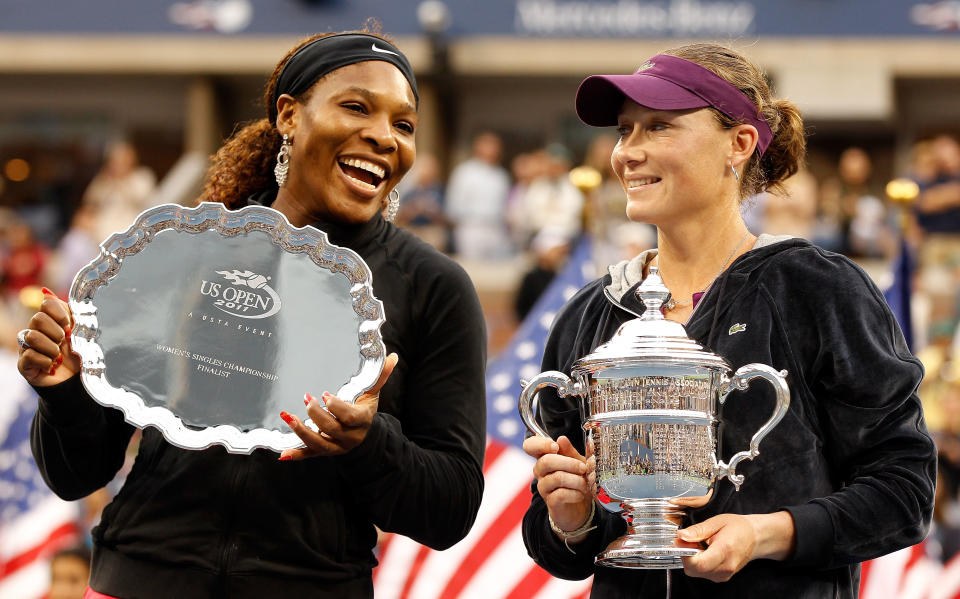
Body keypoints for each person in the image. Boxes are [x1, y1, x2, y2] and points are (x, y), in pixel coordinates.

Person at [17, 28, 487, 599]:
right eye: (357, 107)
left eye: (404, 124)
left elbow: (451, 509)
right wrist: (65, 392)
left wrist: (368, 443)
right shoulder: (177, 254)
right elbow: (77, 475)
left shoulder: (435, 287)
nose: (384, 136)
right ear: (289, 115)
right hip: (140, 580)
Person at [521, 44, 936, 598]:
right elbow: (562, 553)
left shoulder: (818, 288)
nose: (628, 152)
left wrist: (766, 534)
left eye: (660, 128)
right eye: (626, 131)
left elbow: (904, 491)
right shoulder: (589, 313)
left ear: (738, 144)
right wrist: (569, 519)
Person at [444, 130, 513, 259]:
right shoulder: (465, 171)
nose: (493, 150)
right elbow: (454, 203)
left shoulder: (501, 175)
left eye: (495, 146)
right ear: (478, 147)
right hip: (471, 227)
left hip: (495, 229)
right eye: (488, 145)